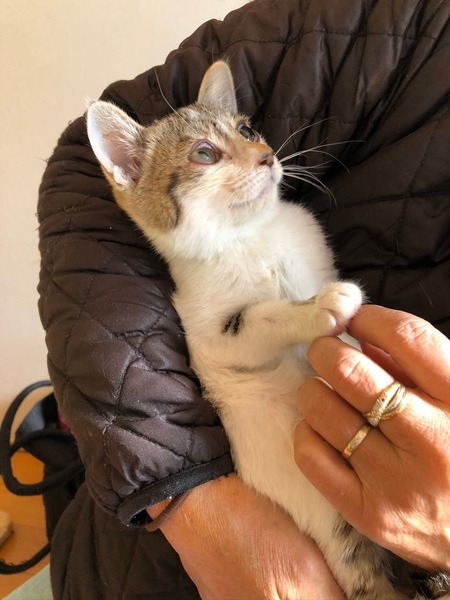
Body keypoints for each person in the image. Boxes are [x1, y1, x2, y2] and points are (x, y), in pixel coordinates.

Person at [37, 0, 450, 597]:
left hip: (351, 444)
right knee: (353, 559)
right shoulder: (201, 267)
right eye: (208, 153)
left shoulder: (295, 226)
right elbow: (226, 340)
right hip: (269, 441)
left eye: (247, 133)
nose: (261, 153)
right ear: (132, 173)